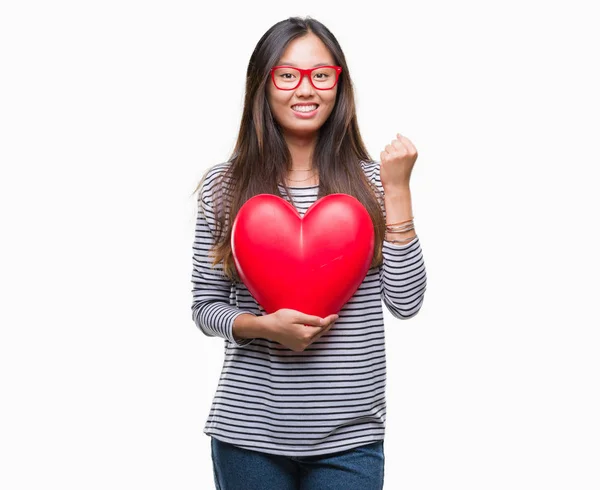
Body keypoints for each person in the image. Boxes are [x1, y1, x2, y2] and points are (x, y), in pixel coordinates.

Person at [191, 16, 427, 490]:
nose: (306, 89)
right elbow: (203, 306)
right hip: (248, 435)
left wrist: (398, 191)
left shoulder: (376, 185)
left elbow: (405, 303)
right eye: (287, 74)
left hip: (351, 437)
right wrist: (262, 326)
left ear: (339, 85)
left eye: (321, 74)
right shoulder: (223, 186)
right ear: (263, 85)